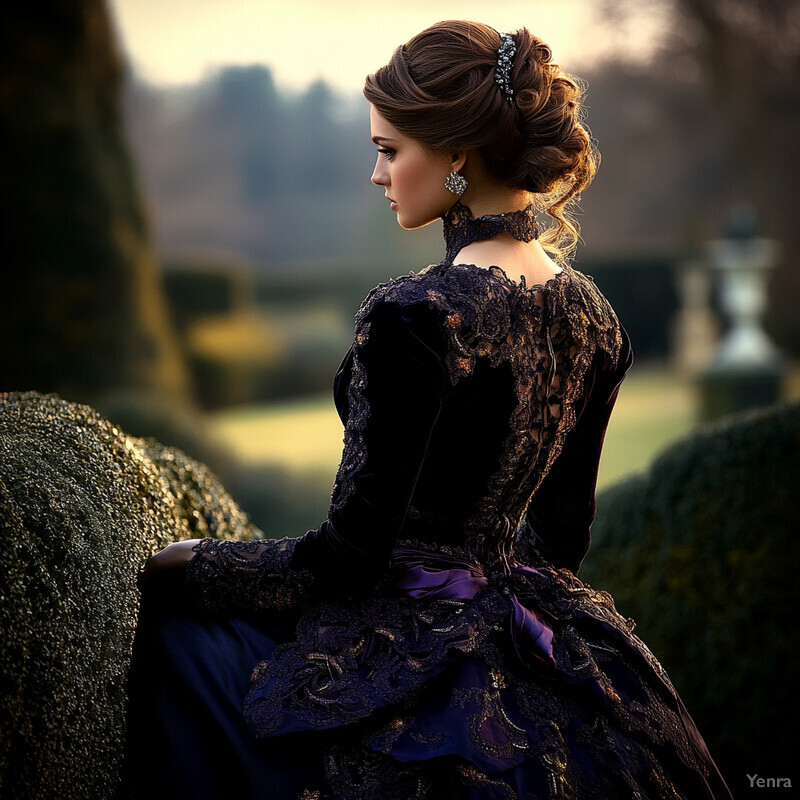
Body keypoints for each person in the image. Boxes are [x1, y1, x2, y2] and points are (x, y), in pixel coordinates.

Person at [126, 20, 733, 800]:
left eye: (389, 149)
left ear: (455, 154)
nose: (376, 175)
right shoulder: (595, 315)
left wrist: (189, 563)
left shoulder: (416, 315)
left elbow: (348, 557)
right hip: (546, 636)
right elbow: (562, 540)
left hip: (415, 641)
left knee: (182, 636)